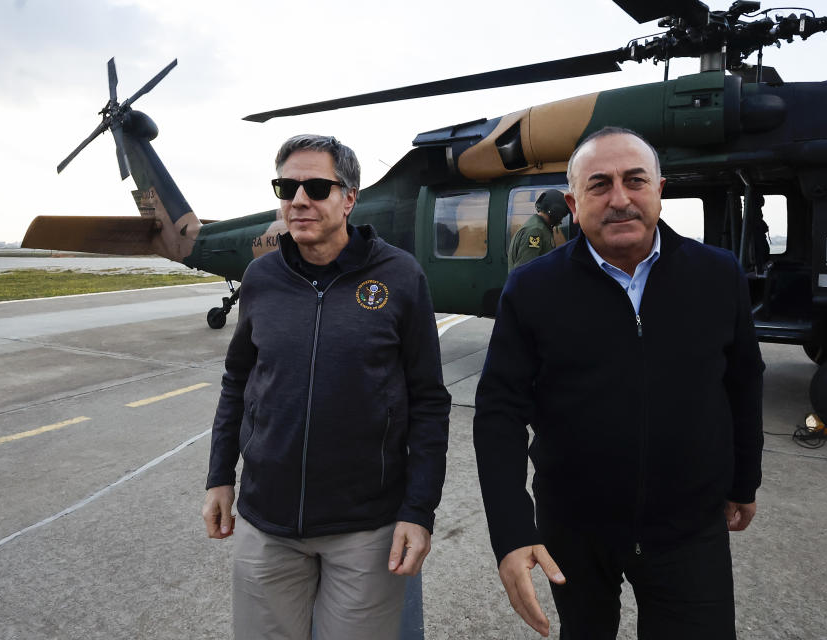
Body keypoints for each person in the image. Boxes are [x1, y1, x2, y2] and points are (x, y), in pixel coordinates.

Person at [473, 126, 764, 639]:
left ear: (660, 190)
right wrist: (512, 531)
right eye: (599, 184)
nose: (620, 199)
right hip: (574, 528)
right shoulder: (533, 288)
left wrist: (744, 480)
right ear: (573, 200)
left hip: (688, 529)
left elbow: (743, 381)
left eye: (635, 181)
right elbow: (499, 410)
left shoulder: (718, 276)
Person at [202, 134, 450, 640]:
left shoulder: (400, 276)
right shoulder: (261, 277)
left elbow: (429, 400)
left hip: (365, 528)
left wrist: (418, 511)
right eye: (286, 187)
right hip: (266, 519)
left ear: (349, 198)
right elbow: (238, 380)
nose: (298, 200)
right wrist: (219, 475)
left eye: (316, 186)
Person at [508, 189, 570, 271]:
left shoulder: (541, 228)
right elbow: (526, 271)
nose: (561, 221)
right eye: (562, 216)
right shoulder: (535, 231)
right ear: (556, 212)